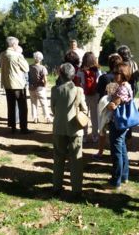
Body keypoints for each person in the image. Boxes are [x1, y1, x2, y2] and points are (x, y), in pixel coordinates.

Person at [51, 63, 87, 198]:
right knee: (76, 159)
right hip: (75, 128)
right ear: (73, 75)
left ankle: (56, 187)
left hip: (59, 127)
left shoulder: (55, 89)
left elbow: (53, 109)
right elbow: (84, 109)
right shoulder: (78, 90)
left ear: (60, 74)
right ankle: (76, 189)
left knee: (58, 158)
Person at [104, 62, 133, 190]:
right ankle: (124, 176)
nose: (114, 75)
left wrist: (107, 101)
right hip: (124, 123)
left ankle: (115, 181)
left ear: (123, 74)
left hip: (117, 123)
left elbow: (113, 105)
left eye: (117, 73)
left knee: (116, 152)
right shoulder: (127, 85)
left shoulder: (121, 88)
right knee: (122, 148)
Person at [93, 53, 123, 160]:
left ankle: (100, 152)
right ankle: (115, 152)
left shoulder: (104, 77)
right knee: (115, 129)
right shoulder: (122, 78)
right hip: (117, 104)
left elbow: (98, 91)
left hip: (104, 105)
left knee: (102, 130)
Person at [0, 37, 30, 134]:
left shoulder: (2, 54)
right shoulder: (17, 55)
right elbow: (26, 68)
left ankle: (12, 126)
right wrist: (20, 55)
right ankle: (23, 127)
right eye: (17, 44)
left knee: (11, 105)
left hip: (7, 83)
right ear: (13, 45)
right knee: (22, 106)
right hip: (17, 84)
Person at [77, 52, 102, 142]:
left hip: (83, 94)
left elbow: (78, 83)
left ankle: (84, 136)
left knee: (84, 115)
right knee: (94, 116)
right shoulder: (97, 70)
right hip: (95, 95)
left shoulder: (80, 70)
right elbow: (99, 82)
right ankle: (95, 136)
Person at [28, 51, 52, 124]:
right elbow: (45, 79)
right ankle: (47, 118)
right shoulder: (42, 68)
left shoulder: (30, 67)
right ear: (41, 59)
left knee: (33, 102)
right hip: (40, 87)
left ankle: (35, 118)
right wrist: (45, 86)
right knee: (44, 103)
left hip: (31, 87)